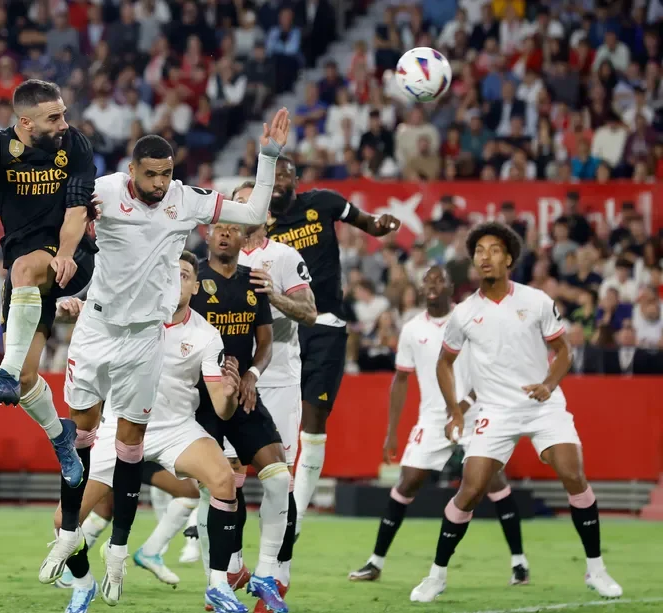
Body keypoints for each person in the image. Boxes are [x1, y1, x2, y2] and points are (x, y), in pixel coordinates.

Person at [40, 108, 290, 608]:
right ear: (132, 172)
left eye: (167, 173)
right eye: (151, 173)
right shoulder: (104, 190)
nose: (160, 183)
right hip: (98, 329)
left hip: (146, 351)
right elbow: (61, 215)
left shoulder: (186, 202)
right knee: (73, 469)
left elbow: (252, 214)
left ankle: (203, 580)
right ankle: (82, 569)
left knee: (209, 474)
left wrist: (266, 158)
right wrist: (67, 255)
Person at [409, 223, 622, 602]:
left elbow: (564, 351)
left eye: (493, 250)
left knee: (573, 474)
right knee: (471, 490)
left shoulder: (536, 300)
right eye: (479, 251)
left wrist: (549, 384)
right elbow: (445, 364)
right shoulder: (464, 313)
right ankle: (436, 575)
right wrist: (455, 411)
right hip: (495, 411)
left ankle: (596, 570)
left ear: (508, 258)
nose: (485, 256)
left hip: (543, 405)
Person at [54, 251, 252, 613]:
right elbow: (89, 320)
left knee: (224, 479)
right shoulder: (129, 315)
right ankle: (83, 585)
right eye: (170, 272)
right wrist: (73, 308)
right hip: (118, 426)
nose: (176, 279)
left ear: (195, 285)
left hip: (175, 427)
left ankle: (219, 586)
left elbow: (221, 407)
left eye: (185, 274)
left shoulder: (206, 335)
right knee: (62, 521)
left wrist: (228, 393)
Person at [0, 79, 97, 490]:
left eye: (64, 113)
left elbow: (76, 211)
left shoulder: (75, 145)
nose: (64, 123)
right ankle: (61, 438)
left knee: (22, 270)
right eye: (53, 117)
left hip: (70, 256)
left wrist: (67, 253)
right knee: (27, 379)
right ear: (26, 122)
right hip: (24, 269)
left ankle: (2, 372)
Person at [349, 266, 530, 585]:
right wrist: (392, 431)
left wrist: (462, 406)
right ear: (421, 290)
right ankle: (375, 562)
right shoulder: (412, 328)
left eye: (439, 280)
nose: (432, 284)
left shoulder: (472, 319)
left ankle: (519, 562)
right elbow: (401, 380)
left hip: (475, 414)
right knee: (407, 482)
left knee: (494, 482)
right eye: (427, 281)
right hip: (433, 419)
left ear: (451, 286)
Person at [265, 156, 401, 536]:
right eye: (272, 175)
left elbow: (368, 223)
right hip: (279, 329)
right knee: (266, 422)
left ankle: (298, 514)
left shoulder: (321, 202)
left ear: (296, 180)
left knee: (313, 422)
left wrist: (382, 225)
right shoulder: (256, 220)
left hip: (326, 325)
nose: (279, 180)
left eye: (285, 174)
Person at [191, 222, 292, 613]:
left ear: (242, 238)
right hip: (200, 399)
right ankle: (219, 583)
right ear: (208, 234)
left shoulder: (254, 281)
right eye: (218, 228)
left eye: (233, 230)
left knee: (280, 477)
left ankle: (266, 574)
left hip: (244, 392)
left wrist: (251, 374)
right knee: (217, 488)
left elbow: (265, 341)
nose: (224, 235)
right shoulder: (192, 278)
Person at [234, 180, 317, 609]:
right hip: (226, 383)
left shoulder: (284, 257)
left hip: (278, 382)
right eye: (238, 203)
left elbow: (310, 311)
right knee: (222, 481)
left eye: (253, 203)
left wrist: (276, 296)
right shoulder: (218, 261)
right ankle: (229, 571)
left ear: (267, 215)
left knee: (277, 483)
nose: (244, 210)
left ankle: (276, 577)